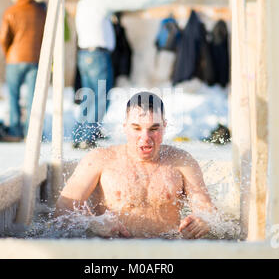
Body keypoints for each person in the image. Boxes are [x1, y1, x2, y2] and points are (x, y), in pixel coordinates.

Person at [55, 92, 216, 239]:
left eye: (154, 128)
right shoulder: (99, 160)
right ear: (125, 127)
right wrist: (92, 223)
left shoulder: (181, 162)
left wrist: (203, 221)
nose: (145, 138)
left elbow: (207, 209)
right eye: (136, 128)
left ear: (164, 127)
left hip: (166, 252)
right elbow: (61, 212)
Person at [73, 0, 177, 149]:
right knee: (100, 97)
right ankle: (88, 136)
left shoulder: (84, 2)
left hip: (84, 54)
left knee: (88, 97)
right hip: (98, 55)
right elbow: (136, 3)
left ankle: (80, 135)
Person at [0, 0, 47, 140]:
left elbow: (3, 38)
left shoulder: (11, 11)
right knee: (33, 97)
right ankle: (31, 132)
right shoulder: (41, 12)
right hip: (35, 59)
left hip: (14, 60)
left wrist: (8, 53)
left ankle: (15, 131)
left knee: (13, 96)